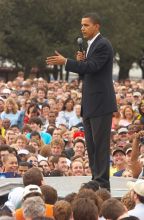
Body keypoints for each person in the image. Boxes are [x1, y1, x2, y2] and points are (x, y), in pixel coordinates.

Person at [46, 12, 117, 190]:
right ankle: (96, 178)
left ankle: (102, 182)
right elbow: (89, 71)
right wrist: (82, 62)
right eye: (81, 25)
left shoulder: (103, 44)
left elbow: (93, 67)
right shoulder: (91, 46)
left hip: (100, 102)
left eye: (86, 25)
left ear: (96, 26)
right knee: (92, 145)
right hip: (91, 103)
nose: (82, 28)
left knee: (100, 145)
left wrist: (67, 62)